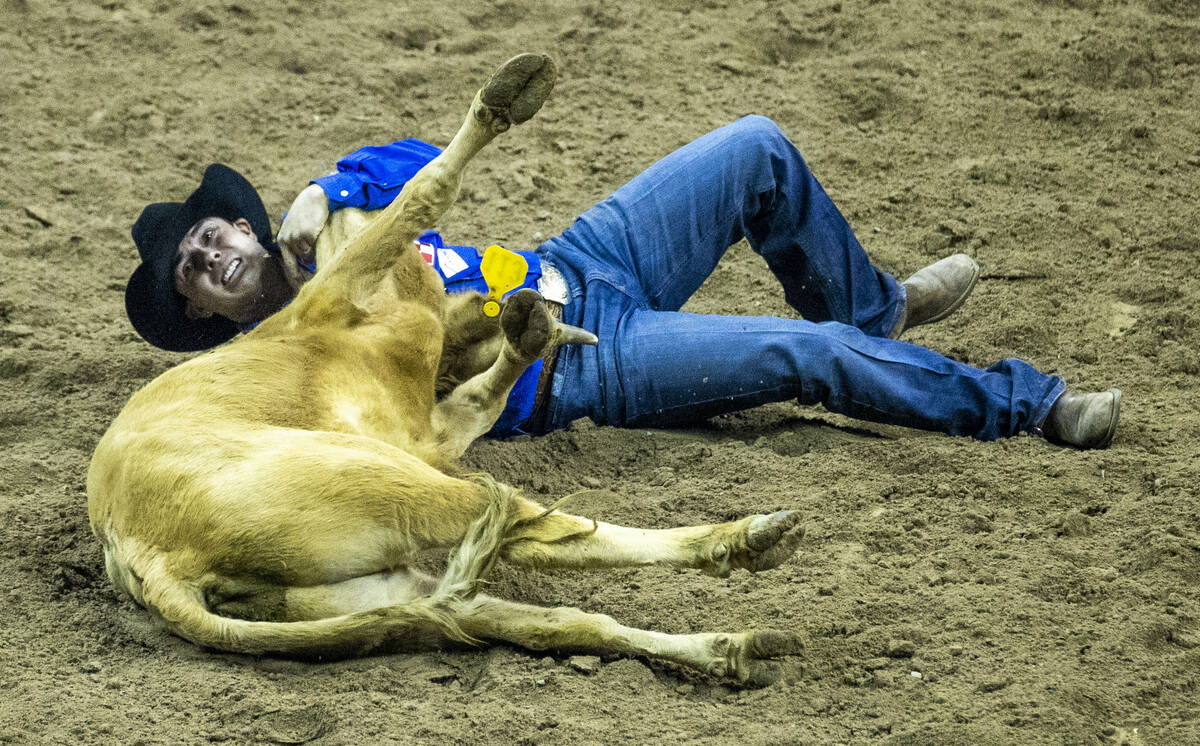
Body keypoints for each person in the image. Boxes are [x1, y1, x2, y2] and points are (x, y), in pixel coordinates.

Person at [124, 115, 1121, 448]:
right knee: (802, 356)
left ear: (242, 223)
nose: (211, 257)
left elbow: (432, 156)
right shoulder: (276, 362)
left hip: (581, 257)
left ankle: (876, 307)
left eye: (210, 235)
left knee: (756, 148)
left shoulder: (324, 227)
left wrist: (325, 184)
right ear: (201, 312)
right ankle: (1028, 405)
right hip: (579, 370)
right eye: (193, 274)